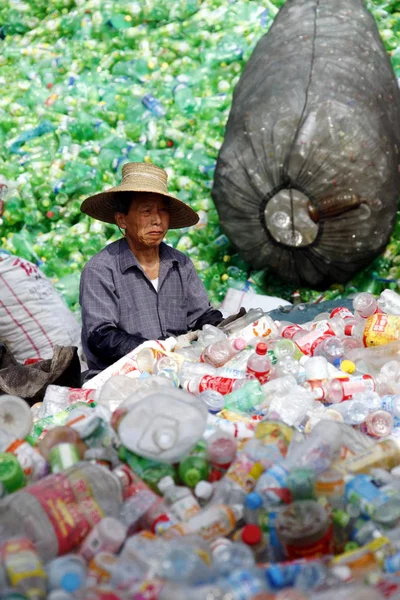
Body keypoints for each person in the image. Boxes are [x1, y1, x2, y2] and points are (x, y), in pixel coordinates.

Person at [79, 162, 226, 380]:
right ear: (122, 220)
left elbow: (201, 316)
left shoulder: (180, 264)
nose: (157, 220)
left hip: (177, 371)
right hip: (121, 379)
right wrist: (159, 351)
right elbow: (101, 337)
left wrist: (224, 329)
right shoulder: (100, 270)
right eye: (146, 211)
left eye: (162, 211)